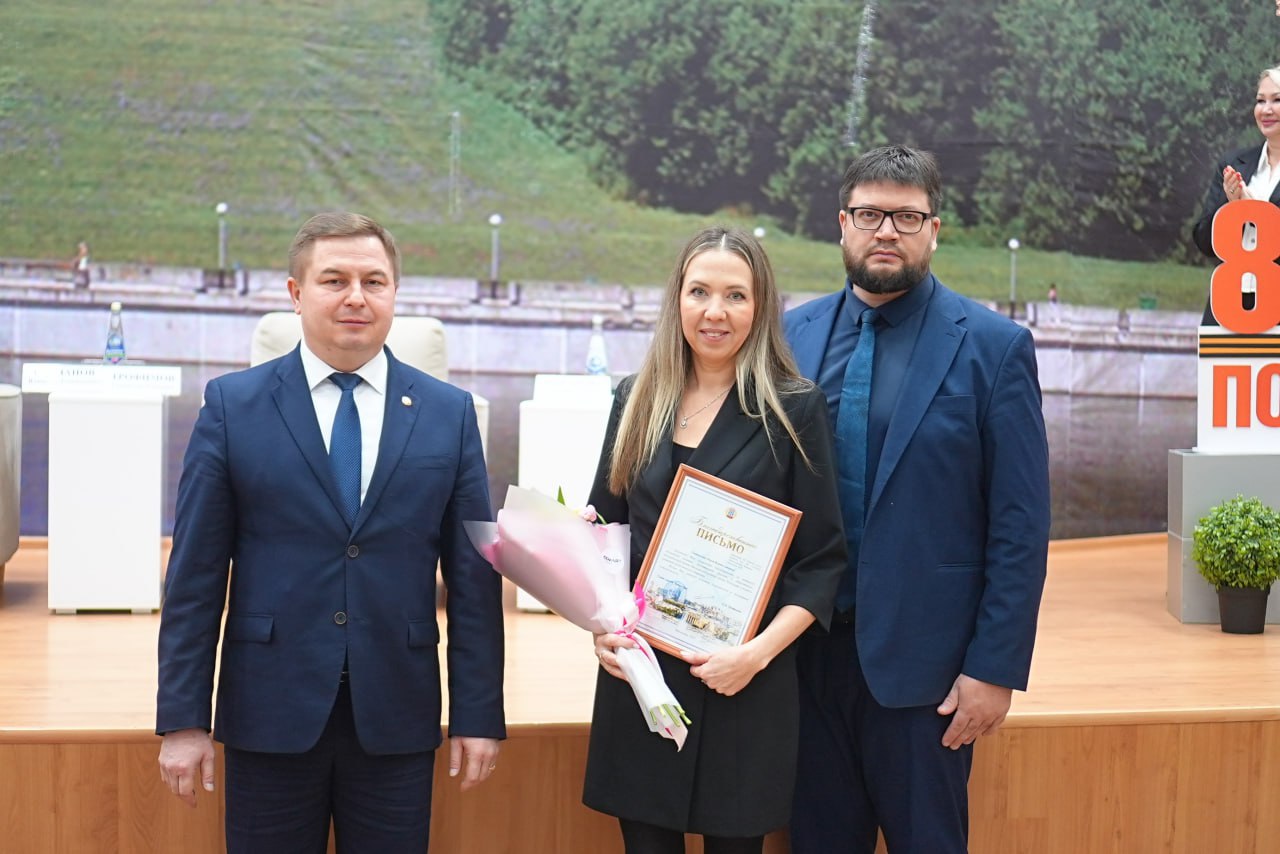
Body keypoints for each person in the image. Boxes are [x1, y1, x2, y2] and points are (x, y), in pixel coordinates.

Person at [155, 212, 505, 852]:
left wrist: (478, 713)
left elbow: (473, 583)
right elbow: (195, 578)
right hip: (269, 709)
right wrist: (183, 719)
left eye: (374, 281)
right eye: (334, 280)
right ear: (296, 293)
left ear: (394, 292)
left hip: (396, 712)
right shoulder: (233, 407)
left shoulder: (448, 414)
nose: (356, 297)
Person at [783, 145, 1051, 854]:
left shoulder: (994, 348)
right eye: (870, 214)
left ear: (934, 230)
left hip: (927, 678)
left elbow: (1020, 526)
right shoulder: (788, 337)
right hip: (801, 662)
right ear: (842, 224)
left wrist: (994, 667)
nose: (886, 232)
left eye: (906, 217)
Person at [585, 226, 846, 854]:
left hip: (743, 684)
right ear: (677, 299)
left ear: (760, 308)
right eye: (699, 291)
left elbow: (822, 562)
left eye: (735, 295)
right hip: (643, 678)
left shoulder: (794, 408)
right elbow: (603, 532)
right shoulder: (636, 399)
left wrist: (753, 656)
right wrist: (600, 630)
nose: (714, 312)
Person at [1191, 65, 1280, 323]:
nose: (1266, 110)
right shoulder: (1233, 164)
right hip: (1228, 306)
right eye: (1260, 101)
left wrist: (1255, 214)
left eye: (1277, 100)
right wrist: (1231, 210)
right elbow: (1203, 240)